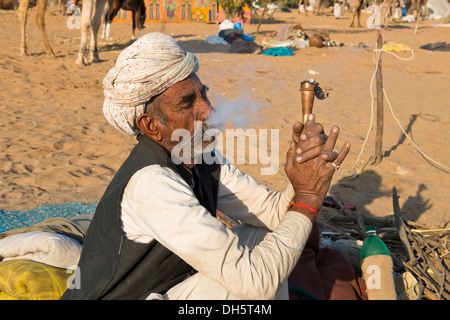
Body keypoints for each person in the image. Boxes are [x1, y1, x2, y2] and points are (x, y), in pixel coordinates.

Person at [61, 32, 363, 300]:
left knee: (272, 240)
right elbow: (256, 283)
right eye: (187, 102)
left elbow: (273, 213)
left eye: (203, 93)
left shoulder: (199, 158)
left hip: (166, 286)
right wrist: (309, 200)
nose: (208, 109)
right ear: (151, 125)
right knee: (254, 284)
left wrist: (300, 178)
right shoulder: (152, 184)